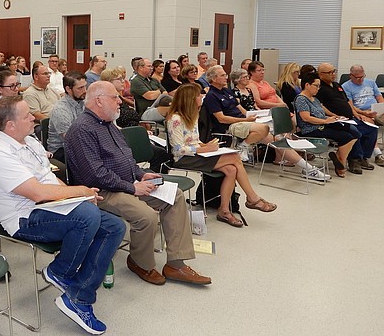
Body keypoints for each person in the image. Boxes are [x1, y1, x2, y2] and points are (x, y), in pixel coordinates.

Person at [0, 95, 125, 335]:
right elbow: (37, 193)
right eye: (27, 115)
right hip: (25, 218)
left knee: (115, 226)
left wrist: (77, 196)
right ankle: (60, 271)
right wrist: (79, 191)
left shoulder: (28, 140)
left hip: (48, 208)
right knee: (87, 216)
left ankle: (78, 296)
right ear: (10, 125)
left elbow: (49, 179)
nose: (33, 117)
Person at [65, 81, 211, 287]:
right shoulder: (82, 130)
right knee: (146, 216)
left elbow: (127, 159)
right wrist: (133, 187)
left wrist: (141, 175)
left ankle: (176, 263)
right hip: (101, 192)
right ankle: (139, 263)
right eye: (114, 97)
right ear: (98, 101)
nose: (120, 102)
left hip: (126, 183)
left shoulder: (109, 125)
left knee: (175, 196)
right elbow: (94, 175)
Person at [167, 83, 277, 227]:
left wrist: (205, 145)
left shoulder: (193, 114)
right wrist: (204, 150)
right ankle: (252, 198)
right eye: (198, 95)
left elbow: (194, 140)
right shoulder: (175, 119)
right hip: (183, 159)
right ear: (190, 99)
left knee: (231, 169)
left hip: (196, 154)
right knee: (235, 158)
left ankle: (224, 210)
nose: (201, 97)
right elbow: (177, 149)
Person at [204, 66, 329, 179]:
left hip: (244, 122)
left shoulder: (227, 91)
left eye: (225, 75)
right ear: (213, 78)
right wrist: (245, 120)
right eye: (222, 75)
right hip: (230, 126)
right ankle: (243, 146)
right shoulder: (211, 95)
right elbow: (221, 118)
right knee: (264, 128)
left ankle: (308, 169)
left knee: (278, 140)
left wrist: (256, 114)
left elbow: (242, 110)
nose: (226, 77)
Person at [316, 62, 378, 175]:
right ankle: (354, 160)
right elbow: (320, 106)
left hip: (349, 117)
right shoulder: (319, 87)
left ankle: (363, 157)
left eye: (334, 71)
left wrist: (356, 113)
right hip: (335, 120)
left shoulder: (337, 86)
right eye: (329, 72)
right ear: (320, 74)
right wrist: (333, 115)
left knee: (372, 128)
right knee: (355, 130)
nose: (333, 74)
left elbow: (347, 102)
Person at [295, 73, 358, 178]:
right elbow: (306, 118)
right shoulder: (301, 99)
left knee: (353, 132)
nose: (318, 88)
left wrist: (335, 117)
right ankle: (341, 162)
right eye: (316, 85)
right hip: (311, 129)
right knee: (347, 137)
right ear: (307, 85)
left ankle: (339, 158)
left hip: (322, 125)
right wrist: (326, 121)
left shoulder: (314, 99)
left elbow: (323, 112)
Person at [341, 64, 384, 166]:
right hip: (362, 112)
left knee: (373, 121)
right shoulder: (345, 87)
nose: (361, 80)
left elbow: (380, 98)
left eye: (362, 76)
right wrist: (364, 113)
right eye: (357, 78)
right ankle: (377, 154)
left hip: (375, 110)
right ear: (351, 76)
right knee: (371, 124)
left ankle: (376, 153)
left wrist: (381, 107)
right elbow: (351, 106)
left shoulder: (371, 82)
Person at [47, 72, 86, 162]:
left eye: (85, 86)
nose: (84, 91)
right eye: (80, 88)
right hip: (60, 150)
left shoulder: (82, 102)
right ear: (68, 89)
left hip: (79, 144)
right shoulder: (60, 109)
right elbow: (70, 138)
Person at [22, 64, 61, 130]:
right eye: (45, 74)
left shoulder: (51, 90)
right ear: (36, 77)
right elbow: (36, 115)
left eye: (49, 73)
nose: (48, 76)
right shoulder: (30, 93)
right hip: (43, 126)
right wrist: (57, 121)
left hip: (58, 122)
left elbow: (62, 106)